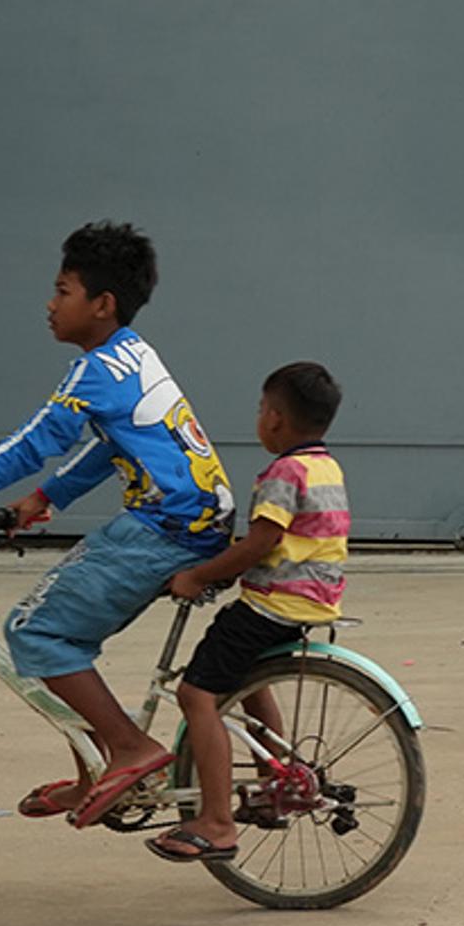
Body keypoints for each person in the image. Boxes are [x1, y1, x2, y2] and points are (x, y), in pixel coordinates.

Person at [0, 221, 236, 829]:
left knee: (37, 630)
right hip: (194, 520)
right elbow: (108, 447)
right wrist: (41, 500)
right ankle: (95, 771)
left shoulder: (95, 371)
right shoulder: (133, 354)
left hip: (167, 527)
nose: (50, 304)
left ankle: (129, 750)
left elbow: (31, 445)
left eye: (62, 290)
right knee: (59, 630)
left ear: (102, 304)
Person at [146, 362, 350, 864]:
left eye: (262, 409)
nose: (259, 417)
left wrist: (199, 575)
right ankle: (270, 787)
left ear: (275, 418)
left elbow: (262, 542)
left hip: (273, 602)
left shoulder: (284, 473)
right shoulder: (326, 466)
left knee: (196, 695)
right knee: (251, 684)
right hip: (312, 600)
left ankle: (216, 823)